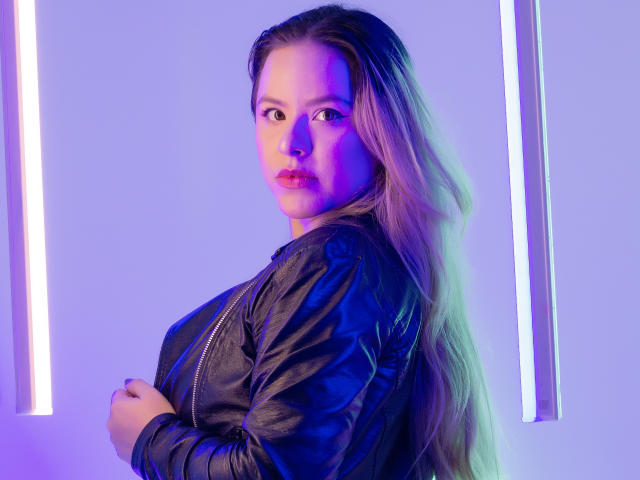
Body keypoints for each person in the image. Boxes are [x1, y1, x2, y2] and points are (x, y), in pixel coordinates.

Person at [106, 3, 503, 479]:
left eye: (327, 114)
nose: (291, 142)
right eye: (273, 113)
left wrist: (150, 439)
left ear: (381, 129)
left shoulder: (336, 263)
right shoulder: (351, 265)